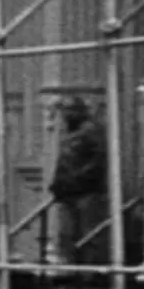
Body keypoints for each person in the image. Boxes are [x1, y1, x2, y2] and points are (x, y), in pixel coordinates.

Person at [49, 96, 109, 276]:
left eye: (69, 111)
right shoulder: (70, 132)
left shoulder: (90, 131)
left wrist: (77, 178)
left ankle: (88, 272)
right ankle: (72, 269)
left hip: (85, 190)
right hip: (69, 190)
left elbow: (98, 160)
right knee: (67, 232)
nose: (66, 115)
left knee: (87, 232)